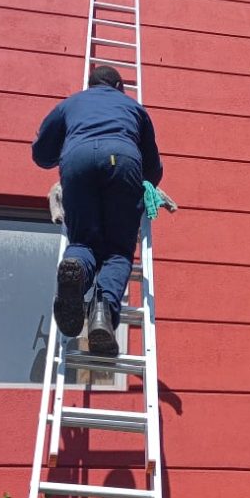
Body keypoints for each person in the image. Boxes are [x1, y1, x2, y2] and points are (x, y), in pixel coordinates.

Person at [32, 65, 163, 356]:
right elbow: (153, 168)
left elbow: (41, 154)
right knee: (117, 251)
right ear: (118, 87)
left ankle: (77, 270)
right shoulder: (135, 109)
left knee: (83, 242)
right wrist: (141, 187)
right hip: (123, 161)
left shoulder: (71, 104)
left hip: (77, 161)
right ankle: (102, 315)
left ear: (91, 85)